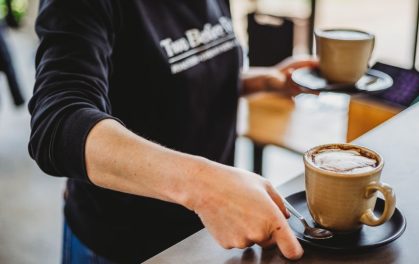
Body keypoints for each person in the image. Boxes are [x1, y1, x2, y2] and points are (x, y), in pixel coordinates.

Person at [29, 0, 315, 263]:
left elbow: (173, 73)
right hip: (121, 243)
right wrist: (205, 187)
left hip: (203, 236)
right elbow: (58, 123)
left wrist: (263, 81)